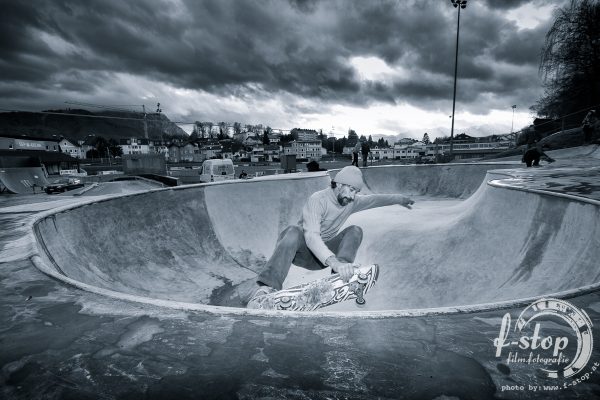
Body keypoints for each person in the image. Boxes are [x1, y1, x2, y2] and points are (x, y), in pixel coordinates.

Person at [243, 166, 414, 308]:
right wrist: (334, 262)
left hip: (324, 259)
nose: (353, 196)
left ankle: (340, 276)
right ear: (339, 184)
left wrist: (400, 199)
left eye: (356, 192)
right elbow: (311, 237)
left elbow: (375, 199)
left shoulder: (352, 202)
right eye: (352, 190)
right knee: (293, 231)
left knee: (355, 230)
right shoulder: (318, 200)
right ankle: (267, 288)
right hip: (302, 253)